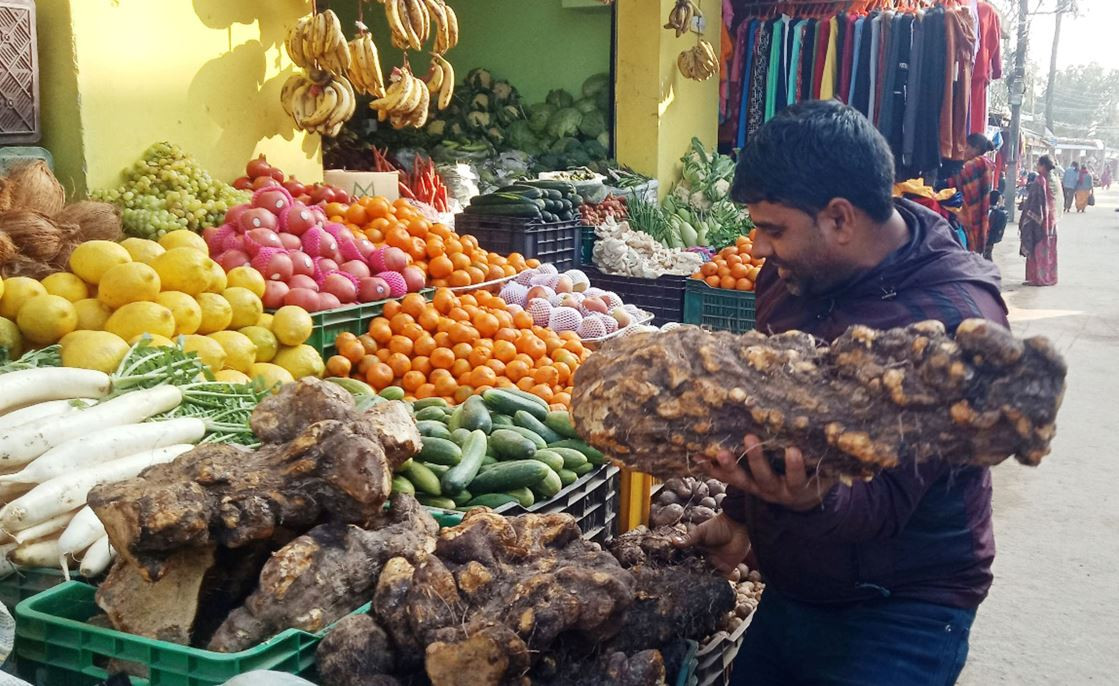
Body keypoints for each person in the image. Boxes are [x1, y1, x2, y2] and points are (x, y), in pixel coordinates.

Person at [679, 100, 1007, 686]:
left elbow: (882, 503)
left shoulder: (954, 327)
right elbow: (771, 415)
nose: (756, 250)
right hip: (797, 585)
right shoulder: (791, 278)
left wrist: (809, 501)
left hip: (902, 608)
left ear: (838, 218)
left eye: (772, 229)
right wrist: (740, 517)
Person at [945, 133, 996, 254]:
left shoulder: (978, 163)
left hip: (971, 214)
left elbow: (953, 181)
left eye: (967, 148)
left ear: (976, 149)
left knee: (968, 243)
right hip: (978, 214)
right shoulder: (987, 164)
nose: (964, 151)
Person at [1019, 155, 1059, 286]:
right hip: (1051, 219)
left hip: (1039, 220)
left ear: (1043, 166)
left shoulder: (1040, 180)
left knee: (1036, 247)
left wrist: (1027, 218)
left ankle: (1037, 278)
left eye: (1038, 164)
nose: (1037, 166)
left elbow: (1036, 203)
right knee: (1048, 249)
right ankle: (1049, 277)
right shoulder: (1054, 179)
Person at [984, 190, 1008, 261]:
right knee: (987, 255)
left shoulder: (983, 211)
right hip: (991, 238)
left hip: (982, 236)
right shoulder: (1001, 214)